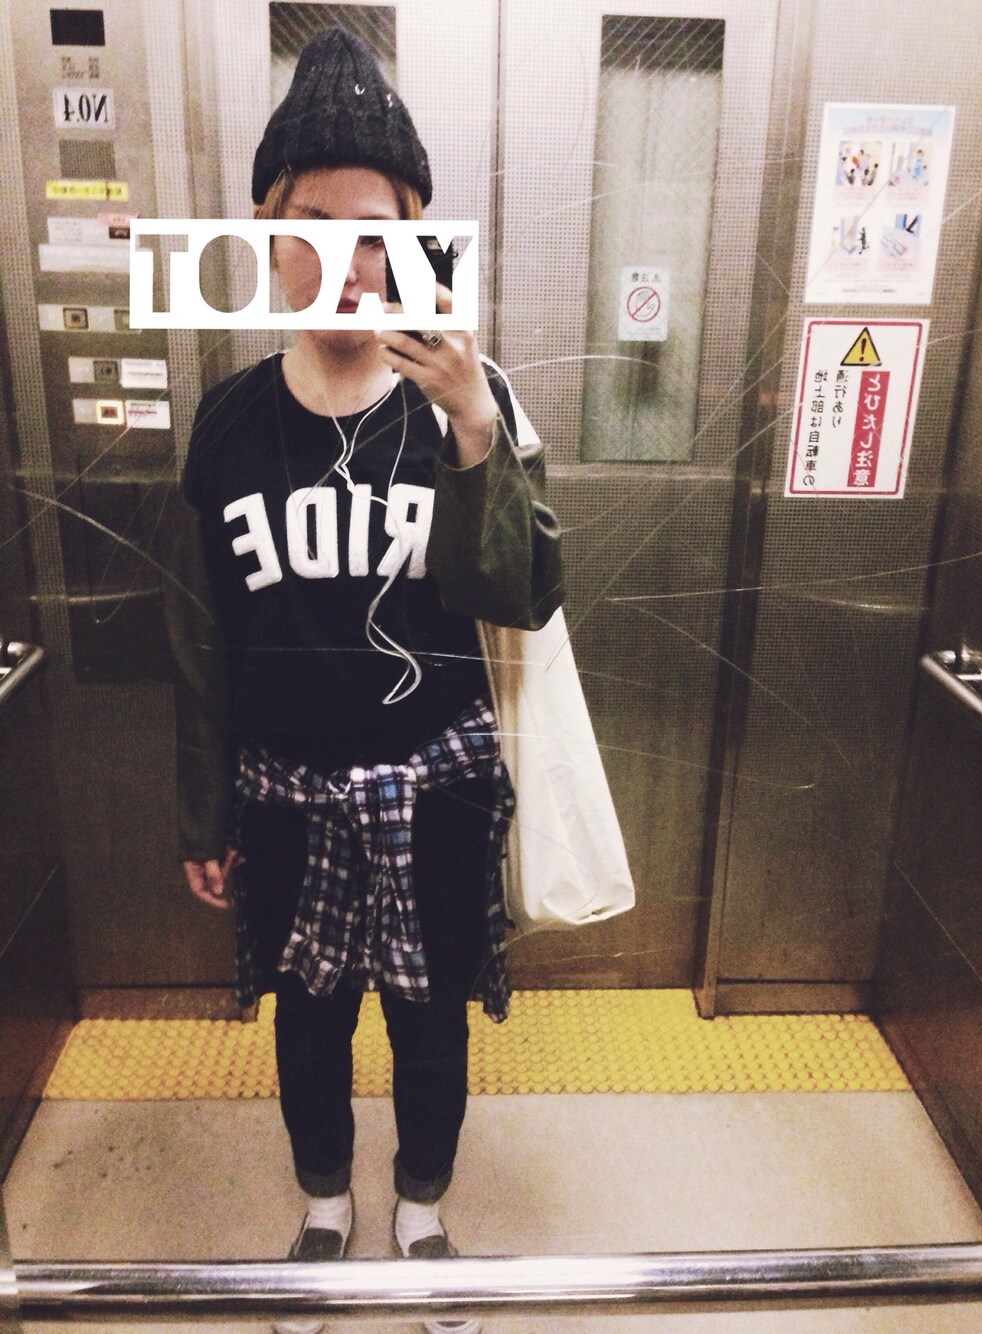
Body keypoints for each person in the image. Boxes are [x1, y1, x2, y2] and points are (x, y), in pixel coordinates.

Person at [165, 25, 563, 1334]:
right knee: (308, 1018)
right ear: (265, 237)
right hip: (285, 794)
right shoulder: (228, 425)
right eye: (312, 225)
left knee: (434, 1019)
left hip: (437, 789)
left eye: (374, 230)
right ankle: (327, 1204)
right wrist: (205, 813)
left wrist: (476, 429)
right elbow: (200, 637)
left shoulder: (470, 404)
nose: (343, 258)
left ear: (414, 242)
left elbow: (526, 594)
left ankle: (426, 1210)